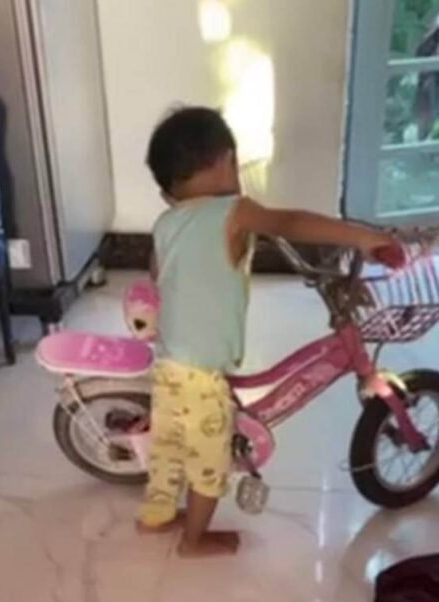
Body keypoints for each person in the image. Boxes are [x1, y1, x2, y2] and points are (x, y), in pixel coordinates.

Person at [138, 106, 392, 557]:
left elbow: (160, 272)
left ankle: (156, 517)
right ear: (227, 161)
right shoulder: (234, 210)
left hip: (169, 364)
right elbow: (290, 223)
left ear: (167, 187)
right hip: (201, 375)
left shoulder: (166, 223)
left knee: (169, 447)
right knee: (209, 462)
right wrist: (362, 237)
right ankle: (193, 542)